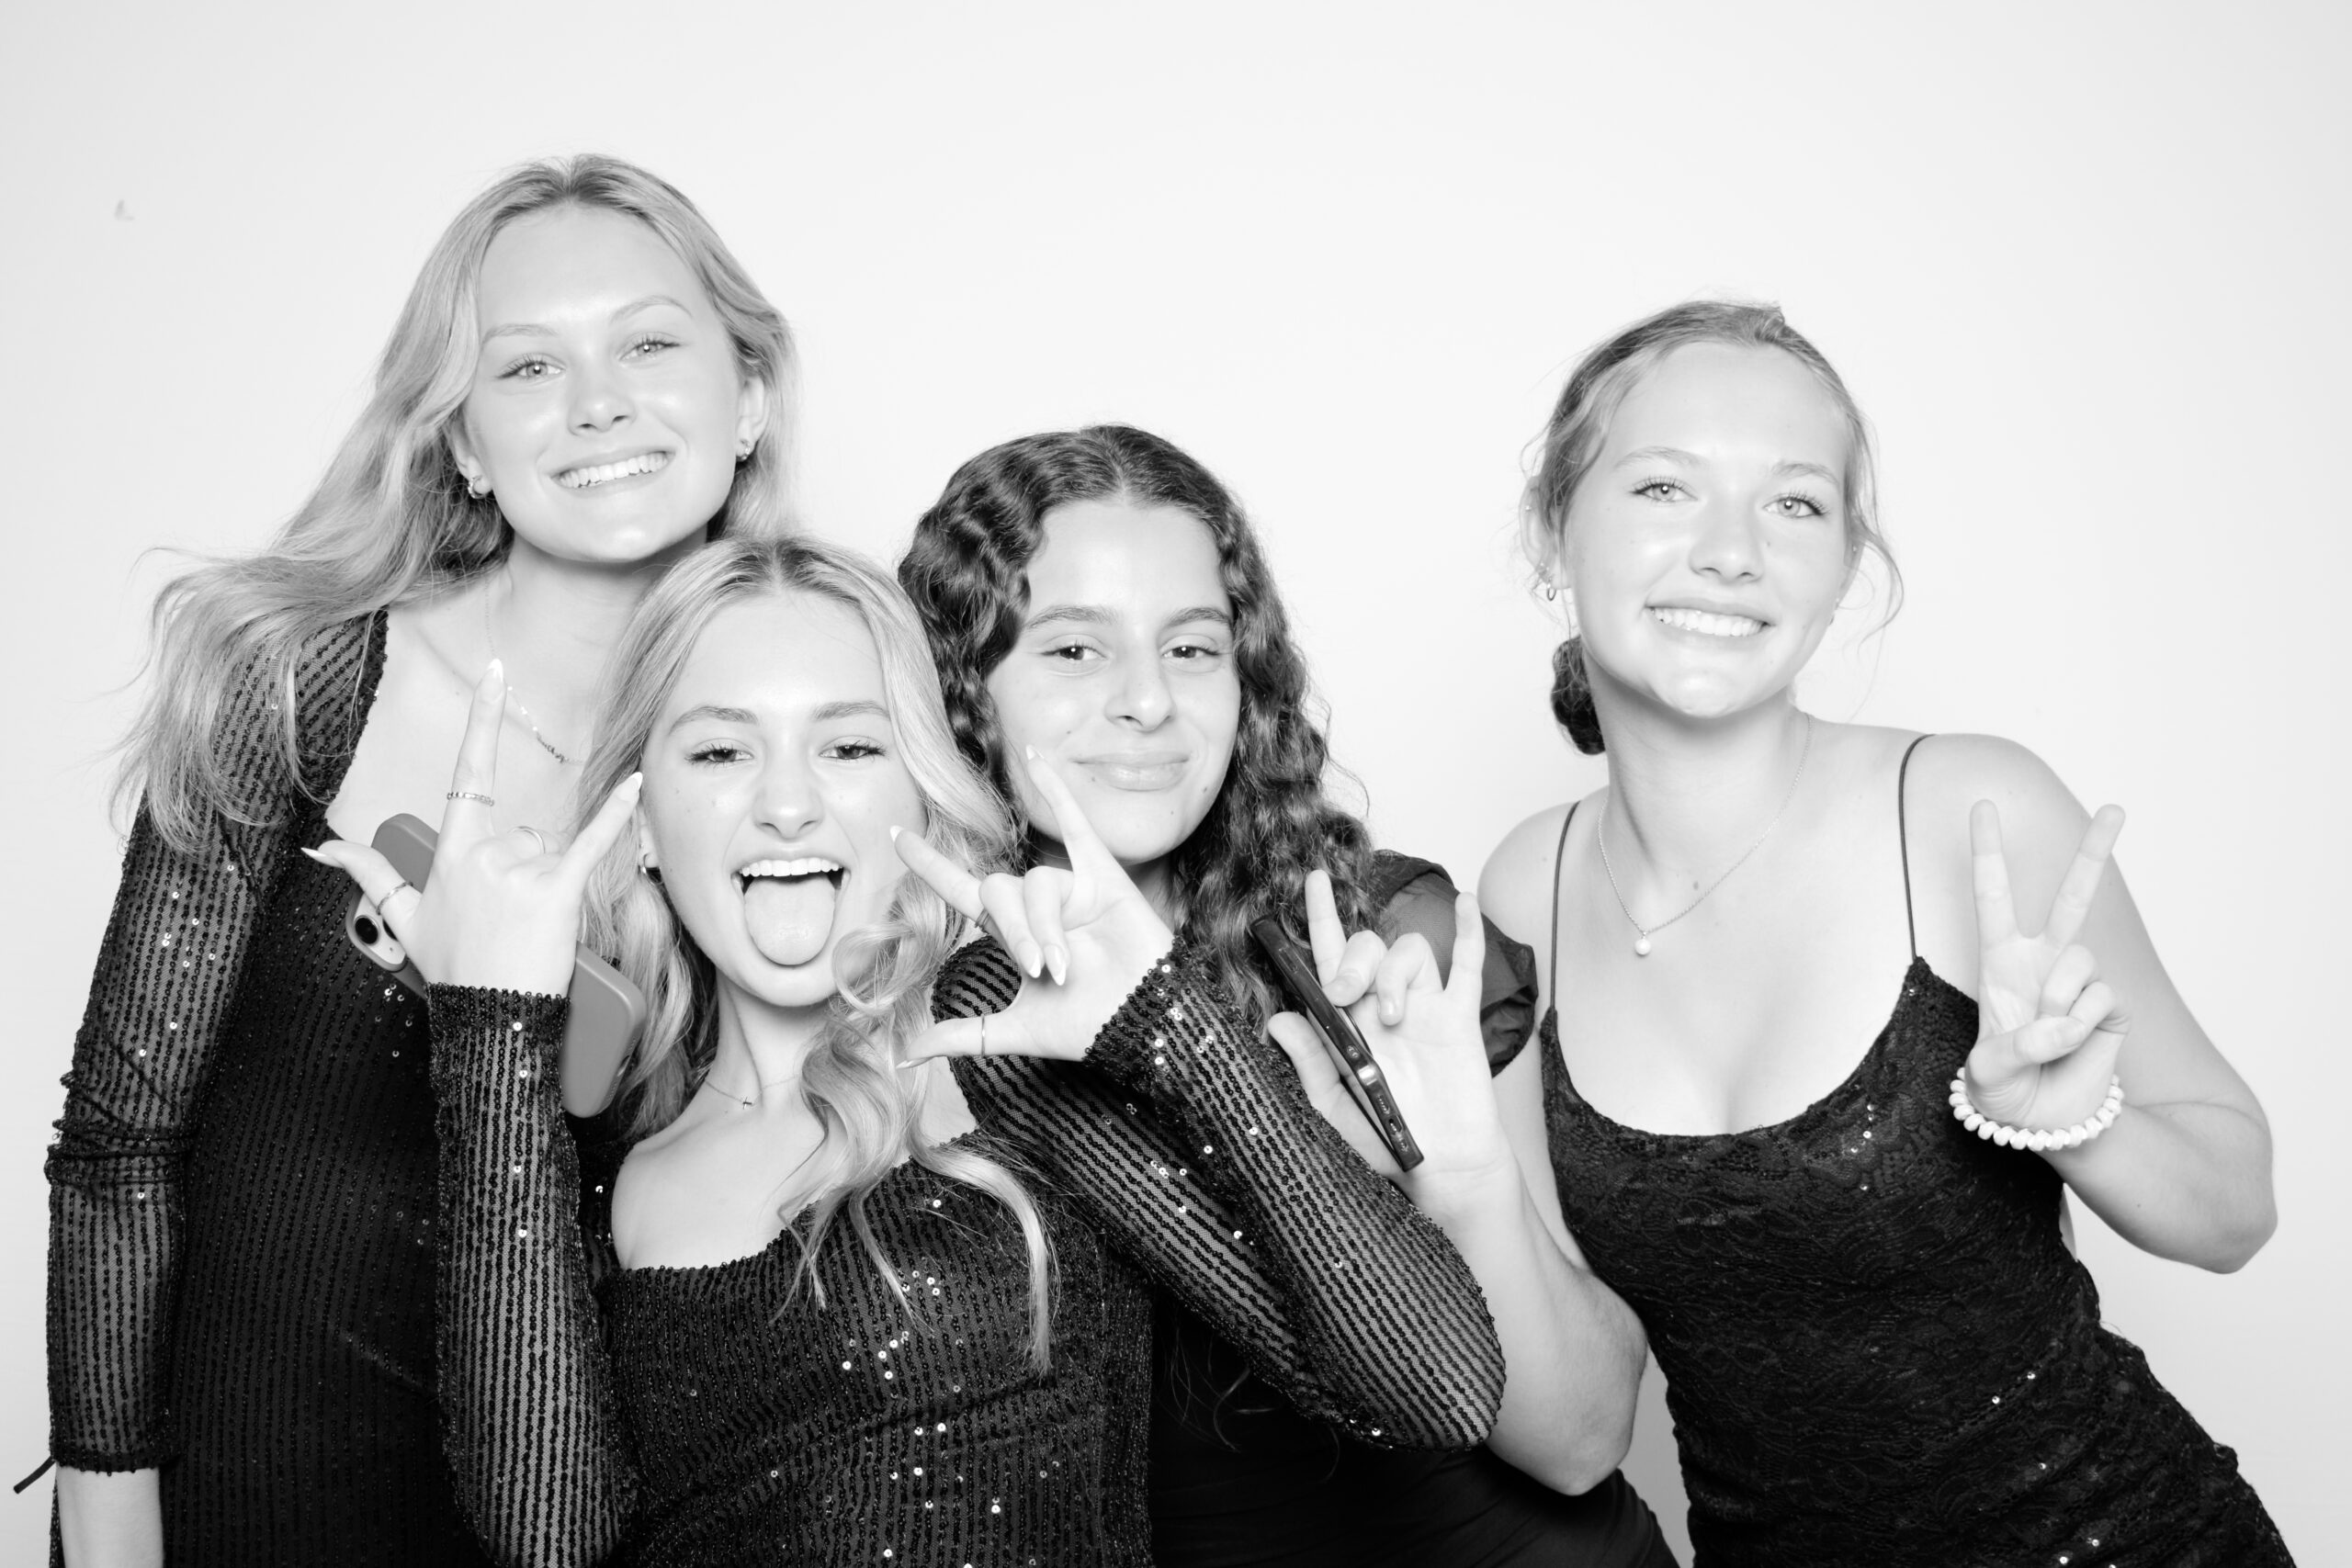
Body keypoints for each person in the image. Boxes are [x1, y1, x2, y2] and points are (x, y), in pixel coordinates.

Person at [314, 534, 1514, 1566]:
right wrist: (489, 1027)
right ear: (639, 823)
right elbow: (546, 1532)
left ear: (921, 794)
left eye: (848, 747)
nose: (788, 803)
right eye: (721, 751)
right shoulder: (613, 1147)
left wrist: (1174, 1026)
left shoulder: (998, 1035)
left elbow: (1440, 1389)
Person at [45, 154, 793, 1566]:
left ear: (747, 396)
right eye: (529, 366)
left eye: (648, 342)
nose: (598, 402)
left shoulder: (786, 761)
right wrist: (108, 1532)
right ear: (463, 442)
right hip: (234, 1506)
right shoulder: (303, 681)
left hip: (569, 1521)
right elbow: (118, 1153)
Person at [1464, 300, 2291, 1564]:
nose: (1730, 552)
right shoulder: (1529, 883)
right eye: (1665, 487)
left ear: (1844, 566)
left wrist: (2080, 1122)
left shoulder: (1968, 812)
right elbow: (1575, 1404)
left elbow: (2237, 1209)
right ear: (1552, 531)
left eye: (1794, 503)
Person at [896, 424, 1676, 1568]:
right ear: (963, 687)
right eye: (1072, 650)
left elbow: (1583, 1440)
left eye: (1192, 648)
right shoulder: (913, 1021)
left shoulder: (1382, 937)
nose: (1147, 701)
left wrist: (1459, 1183)